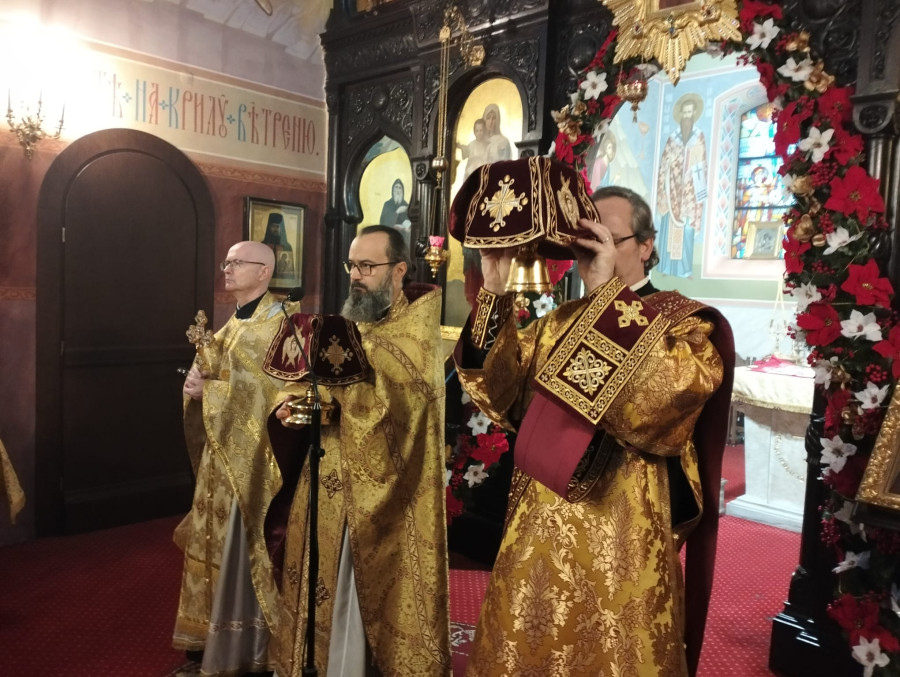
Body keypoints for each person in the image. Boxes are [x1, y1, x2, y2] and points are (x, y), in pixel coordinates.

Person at [454, 185, 734, 676]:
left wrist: (607, 293)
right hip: (539, 528)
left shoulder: (684, 323)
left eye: (607, 238)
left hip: (622, 537)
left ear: (645, 245)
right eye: (585, 239)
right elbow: (499, 394)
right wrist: (493, 289)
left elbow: (668, 400)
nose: (591, 250)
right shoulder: (558, 322)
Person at [265, 225, 451, 676]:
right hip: (325, 475)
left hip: (379, 498)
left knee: (358, 587)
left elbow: (400, 410)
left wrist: (339, 402)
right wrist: (290, 404)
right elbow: (310, 378)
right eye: (352, 265)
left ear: (399, 270)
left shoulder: (417, 335)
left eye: (367, 266)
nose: (355, 275)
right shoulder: (352, 322)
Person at [173, 240, 291, 675]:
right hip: (219, 457)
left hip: (251, 461)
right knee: (211, 541)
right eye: (226, 261)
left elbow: (265, 394)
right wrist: (194, 387)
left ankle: (245, 644)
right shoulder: (234, 322)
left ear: (264, 272)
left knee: (244, 546)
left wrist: (211, 391)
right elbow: (216, 373)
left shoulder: (279, 326)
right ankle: (208, 634)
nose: (227, 268)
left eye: (237, 262)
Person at [656, 92, 708, 278]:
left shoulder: (699, 137)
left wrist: (698, 188)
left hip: (689, 192)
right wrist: (671, 164)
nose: (686, 116)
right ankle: (666, 268)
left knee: (686, 229)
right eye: (684, 113)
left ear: (694, 114)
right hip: (672, 189)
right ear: (680, 115)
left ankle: (685, 270)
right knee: (669, 228)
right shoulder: (673, 137)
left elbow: (701, 164)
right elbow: (664, 162)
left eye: (689, 113)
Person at [262, 212, 295, 279]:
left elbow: (288, 273)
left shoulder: (287, 246)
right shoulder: (263, 245)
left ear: (281, 228)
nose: (275, 229)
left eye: (277, 226)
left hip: (282, 280)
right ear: (269, 228)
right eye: (273, 226)